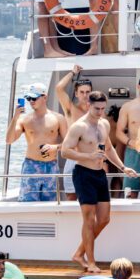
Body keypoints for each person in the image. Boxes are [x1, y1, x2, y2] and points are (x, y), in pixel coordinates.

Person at [62, 91, 137, 273]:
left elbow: (109, 149)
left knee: (104, 219)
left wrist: (122, 167)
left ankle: (79, 253)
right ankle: (91, 262)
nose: (100, 112)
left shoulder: (104, 124)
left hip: (99, 174)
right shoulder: (79, 127)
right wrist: (88, 155)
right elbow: (65, 151)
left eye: (103, 108)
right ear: (89, 105)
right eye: (97, 108)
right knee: (89, 220)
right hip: (83, 174)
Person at [5, 82, 68, 202]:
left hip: (51, 166)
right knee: (26, 204)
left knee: (50, 204)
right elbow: (9, 140)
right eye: (28, 98)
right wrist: (15, 117)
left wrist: (55, 148)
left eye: (34, 98)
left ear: (44, 97)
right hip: (31, 166)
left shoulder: (58, 118)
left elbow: (69, 144)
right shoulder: (24, 120)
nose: (31, 101)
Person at [56, 66, 93, 200]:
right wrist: (72, 73)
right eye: (82, 92)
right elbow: (59, 88)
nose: (85, 95)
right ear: (76, 94)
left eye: (88, 92)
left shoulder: (96, 112)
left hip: (89, 157)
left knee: (89, 197)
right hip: (73, 157)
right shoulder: (71, 109)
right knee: (71, 196)